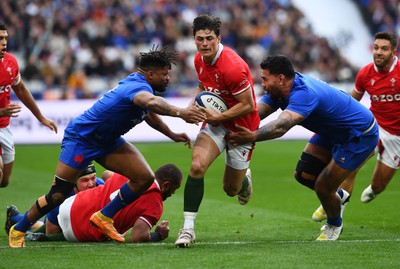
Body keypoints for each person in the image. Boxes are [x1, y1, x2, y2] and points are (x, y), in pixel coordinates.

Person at [8, 45, 206, 248]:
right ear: (150, 74)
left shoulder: (140, 84)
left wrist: (171, 134)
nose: (167, 78)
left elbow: (149, 113)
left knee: (144, 178)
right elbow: (151, 102)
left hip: (107, 141)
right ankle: (19, 228)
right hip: (81, 139)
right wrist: (180, 112)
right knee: (58, 194)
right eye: (164, 74)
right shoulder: (138, 89)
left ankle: (104, 217)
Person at [226, 54, 379, 241]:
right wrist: (226, 123)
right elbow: (255, 114)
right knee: (304, 174)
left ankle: (334, 224)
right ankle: (337, 196)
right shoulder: (280, 91)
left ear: (280, 78)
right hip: (332, 131)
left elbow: (281, 126)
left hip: (358, 134)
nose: (263, 84)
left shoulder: (303, 93)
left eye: (265, 79)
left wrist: (250, 136)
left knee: (323, 186)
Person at [175, 14, 260, 248]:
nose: (204, 44)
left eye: (209, 38)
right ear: (194, 39)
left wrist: (218, 116)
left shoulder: (233, 67)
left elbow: (248, 105)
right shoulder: (198, 60)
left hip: (242, 128)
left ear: (218, 38)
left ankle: (243, 180)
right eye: (200, 39)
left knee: (230, 189)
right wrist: (193, 106)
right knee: (196, 165)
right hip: (216, 123)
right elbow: (203, 87)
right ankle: (188, 229)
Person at [311, 32, 400, 221]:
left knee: (378, 186)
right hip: (373, 127)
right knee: (352, 164)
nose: (378, 52)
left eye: (384, 49)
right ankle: (333, 205)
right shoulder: (366, 73)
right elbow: (351, 104)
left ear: (394, 51)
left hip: (396, 137)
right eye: (376, 48)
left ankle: (374, 190)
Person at [57, 163, 182, 243]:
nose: (173, 194)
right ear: (166, 185)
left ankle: (41, 232)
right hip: (77, 234)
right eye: (174, 189)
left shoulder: (136, 170)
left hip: (69, 203)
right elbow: (137, 237)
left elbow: (106, 174)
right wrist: (158, 235)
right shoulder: (156, 204)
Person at [0, 22, 57, 188]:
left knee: (4, 181)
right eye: (0, 39)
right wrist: (2, 111)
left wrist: (41, 118)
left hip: (4, 127)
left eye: (5, 38)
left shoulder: (11, 63)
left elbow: (21, 89)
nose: (4, 42)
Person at [5, 163, 105, 241]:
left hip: (80, 218)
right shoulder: (60, 198)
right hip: (57, 223)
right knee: (39, 229)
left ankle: (14, 216)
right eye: (85, 180)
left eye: (93, 178)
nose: (91, 184)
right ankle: (15, 218)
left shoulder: (100, 186)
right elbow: (50, 233)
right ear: (74, 182)